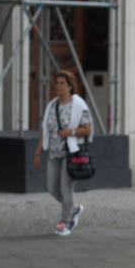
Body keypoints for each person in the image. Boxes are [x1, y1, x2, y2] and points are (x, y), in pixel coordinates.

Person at [32, 69, 92, 236]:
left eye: (61, 83)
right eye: (56, 83)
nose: (58, 86)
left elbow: (87, 129)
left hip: (71, 153)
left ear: (70, 86)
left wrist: (70, 132)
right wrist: (37, 153)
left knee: (66, 188)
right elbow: (46, 130)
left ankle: (65, 221)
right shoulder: (52, 105)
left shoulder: (79, 105)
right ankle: (73, 208)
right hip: (54, 152)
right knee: (52, 188)